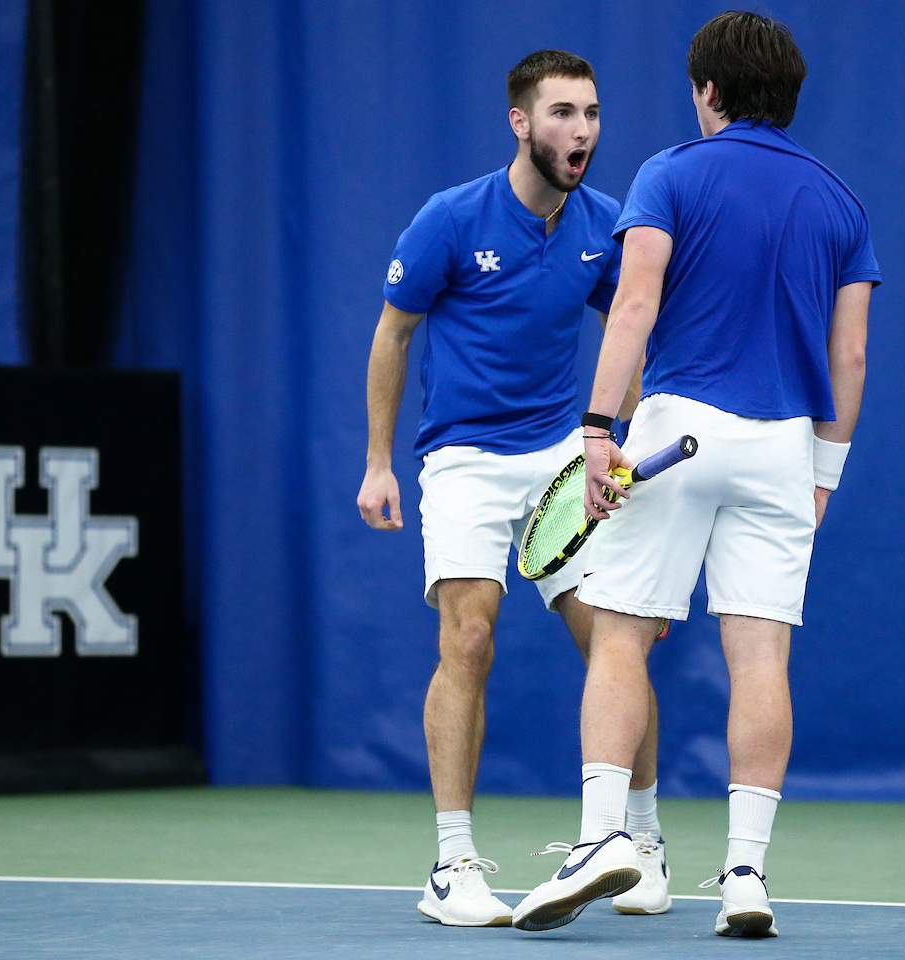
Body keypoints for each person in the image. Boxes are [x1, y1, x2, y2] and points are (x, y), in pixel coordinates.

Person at [512, 12, 881, 935]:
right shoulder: (840, 202)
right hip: (784, 450)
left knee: (623, 638)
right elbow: (852, 362)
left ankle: (605, 839)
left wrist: (598, 427)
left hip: (679, 432)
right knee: (761, 653)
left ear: (708, 93)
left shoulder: (669, 173)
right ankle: (747, 876)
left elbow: (634, 303)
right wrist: (824, 472)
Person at [357, 50, 671, 927]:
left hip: (561, 462)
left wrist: (617, 446)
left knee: (618, 640)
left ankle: (640, 845)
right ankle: (452, 865)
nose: (583, 132)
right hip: (460, 458)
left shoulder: (603, 226)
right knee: (470, 636)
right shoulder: (450, 219)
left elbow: (632, 335)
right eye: (564, 114)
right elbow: (393, 334)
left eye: (594, 115)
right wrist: (381, 461)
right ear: (520, 122)